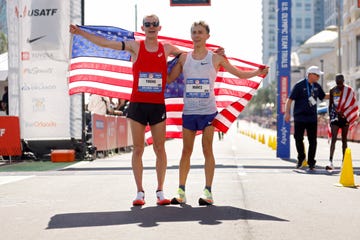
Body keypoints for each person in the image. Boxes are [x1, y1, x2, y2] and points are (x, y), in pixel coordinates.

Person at [70, 14, 184, 206]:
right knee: (138, 149)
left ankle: (160, 191)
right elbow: (105, 43)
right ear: (143, 27)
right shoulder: (135, 46)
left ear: (159, 27)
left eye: (154, 24)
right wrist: (80, 32)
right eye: (147, 24)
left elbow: (188, 57)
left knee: (159, 148)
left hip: (157, 105)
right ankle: (140, 192)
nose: (151, 27)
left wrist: (172, 76)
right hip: (138, 104)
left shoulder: (167, 48)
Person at [167, 21, 269, 205]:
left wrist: (257, 72)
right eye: (194, 32)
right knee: (186, 151)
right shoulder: (184, 58)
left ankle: (208, 191)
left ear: (207, 36)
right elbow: (168, 79)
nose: (197, 35)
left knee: (207, 150)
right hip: (189, 111)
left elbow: (239, 74)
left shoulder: (216, 58)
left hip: (208, 112)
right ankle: (181, 191)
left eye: (200, 32)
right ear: (191, 36)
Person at [284, 66, 329, 170]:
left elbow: (323, 96)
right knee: (298, 138)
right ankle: (301, 159)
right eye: (316, 75)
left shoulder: (317, 86)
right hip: (299, 117)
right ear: (310, 74)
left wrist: (335, 93)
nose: (318, 77)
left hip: (312, 118)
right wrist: (287, 113)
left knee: (313, 141)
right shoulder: (299, 85)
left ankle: (311, 162)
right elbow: (290, 100)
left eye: (319, 75)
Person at [326, 74, 358, 170]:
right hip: (335, 117)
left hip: (345, 117)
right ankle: (330, 161)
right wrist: (331, 116)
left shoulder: (349, 90)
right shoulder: (332, 90)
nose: (338, 81)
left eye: (340, 80)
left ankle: (344, 162)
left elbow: (353, 103)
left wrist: (345, 113)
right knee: (334, 139)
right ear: (335, 80)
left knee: (344, 140)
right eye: (337, 80)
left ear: (343, 80)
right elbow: (331, 105)